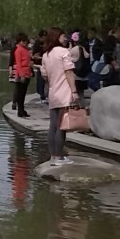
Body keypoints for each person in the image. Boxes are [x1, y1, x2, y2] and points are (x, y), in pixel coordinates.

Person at [41, 26, 79, 166]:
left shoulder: (46, 55)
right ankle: (59, 157)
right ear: (57, 37)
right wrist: (74, 91)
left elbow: (44, 75)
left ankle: (52, 156)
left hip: (53, 92)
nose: (65, 39)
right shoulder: (64, 52)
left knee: (53, 125)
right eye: (63, 37)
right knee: (61, 126)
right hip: (64, 92)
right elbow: (69, 72)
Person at [11, 33, 33, 117]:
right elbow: (19, 64)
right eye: (23, 41)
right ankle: (20, 110)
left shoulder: (25, 49)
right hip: (22, 73)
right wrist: (21, 75)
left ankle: (22, 109)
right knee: (20, 93)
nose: (25, 43)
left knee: (23, 93)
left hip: (27, 72)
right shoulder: (18, 50)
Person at [31, 30, 48, 104]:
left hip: (47, 64)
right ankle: (42, 96)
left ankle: (47, 95)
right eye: (44, 37)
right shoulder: (37, 44)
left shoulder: (48, 43)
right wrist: (42, 58)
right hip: (40, 64)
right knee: (41, 80)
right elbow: (35, 56)